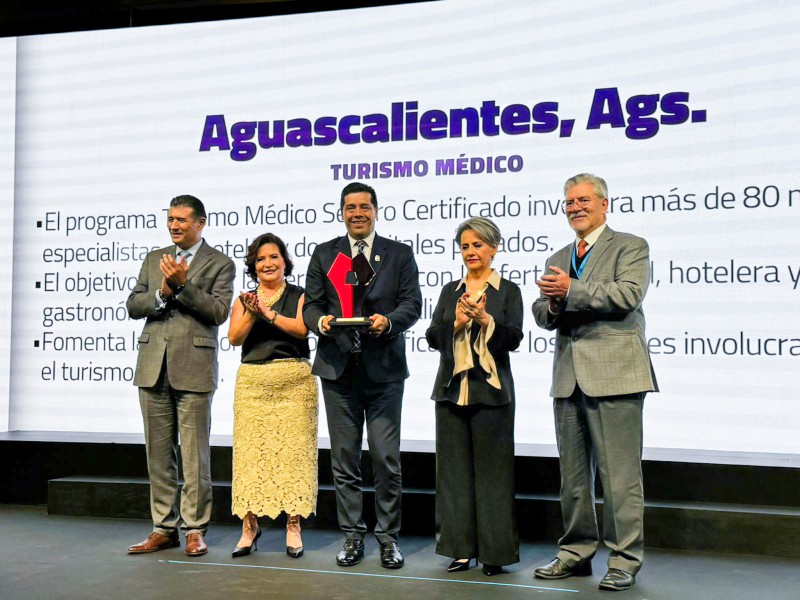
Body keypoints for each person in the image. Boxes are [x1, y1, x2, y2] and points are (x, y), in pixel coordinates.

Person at [532, 173, 658, 591]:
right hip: (568, 377)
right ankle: (575, 552)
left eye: (583, 200)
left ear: (604, 204)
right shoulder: (560, 255)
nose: (575, 208)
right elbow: (542, 313)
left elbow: (627, 296)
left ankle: (624, 559)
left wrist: (571, 289)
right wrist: (553, 302)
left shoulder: (630, 246)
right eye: (569, 202)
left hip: (615, 375)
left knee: (620, 477)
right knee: (572, 479)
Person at [303, 182, 422, 569]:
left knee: (386, 459)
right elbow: (311, 305)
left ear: (376, 211)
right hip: (338, 371)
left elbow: (412, 304)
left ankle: (388, 538)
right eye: (350, 207)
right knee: (345, 461)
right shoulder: (325, 254)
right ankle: (353, 536)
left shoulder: (399, 254)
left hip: (384, 372)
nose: (358, 213)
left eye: (364, 207)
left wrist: (389, 321)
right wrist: (320, 322)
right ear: (342, 212)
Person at [126, 194, 235, 557]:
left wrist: (185, 286)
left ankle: (194, 529)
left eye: (182, 220)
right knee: (158, 456)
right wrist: (162, 293)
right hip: (152, 366)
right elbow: (134, 305)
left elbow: (218, 312)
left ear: (200, 223)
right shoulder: (154, 259)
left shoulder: (220, 263)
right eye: (171, 219)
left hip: (194, 367)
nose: (174, 225)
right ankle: (163, 528)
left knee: (194, 456)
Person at [425, 217, 523, 577]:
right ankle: (460, 550)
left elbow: (513, 338)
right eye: (465, 246)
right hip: (451, 392)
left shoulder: (508, 290)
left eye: (477, 245)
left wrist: (484, 320)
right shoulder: (450, 290)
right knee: (453, 476)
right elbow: (432, 336)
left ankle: (495, 553)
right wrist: (456, 323)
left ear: (494, 248)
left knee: (494, 476)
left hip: (492, 394)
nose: (470, 252)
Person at [227, 233, 318, 559]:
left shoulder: (300, 295)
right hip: (253, 384)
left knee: (294, 457)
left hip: (294, 383)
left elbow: (302, 329)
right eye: (261, 259)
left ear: (284, 261)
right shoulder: (245, 300)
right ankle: (249, 527)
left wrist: (268, 313)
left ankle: (293, 526)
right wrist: (253, 313)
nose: (267, 263)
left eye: (273, 257)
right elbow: (234, 338)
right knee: (251, 458)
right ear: (253, 265)